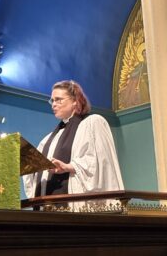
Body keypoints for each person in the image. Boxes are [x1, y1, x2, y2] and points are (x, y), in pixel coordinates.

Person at [23, 80, 124, 210]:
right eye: (52, 100)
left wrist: (69, 166)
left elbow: (101, 162)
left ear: (75, 100)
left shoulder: (92, 123)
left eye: (59, 100)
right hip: (48, 205)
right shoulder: (48, 139)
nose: (54, 104)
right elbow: (38, 174)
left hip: (75, 204)